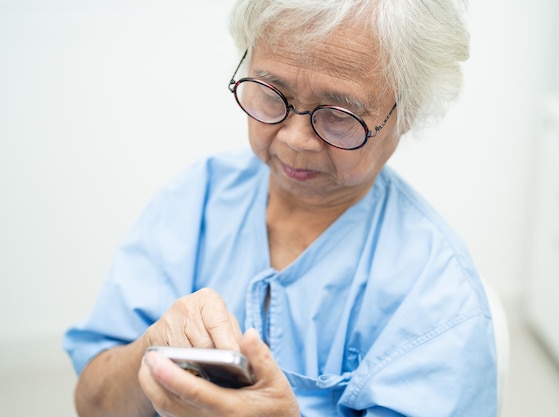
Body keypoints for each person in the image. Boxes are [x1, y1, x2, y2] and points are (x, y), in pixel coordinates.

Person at [63, 0, 498, 416]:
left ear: (408, 112)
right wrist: (150, 352)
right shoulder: (196, 200)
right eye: (272, 93)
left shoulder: (437, 296)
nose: (294, 139)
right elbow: (93, 404)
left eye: (339, 114)